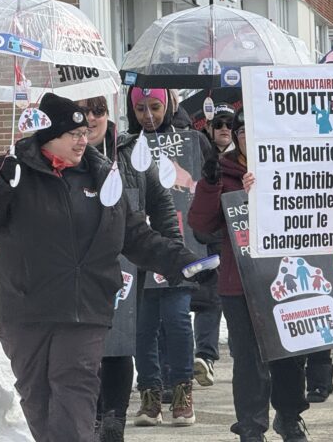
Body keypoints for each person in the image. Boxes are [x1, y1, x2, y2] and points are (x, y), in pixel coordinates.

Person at [0, 92, 199, 442]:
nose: (82, 138)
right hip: (25, 307)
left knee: (74, 390)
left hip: (84, 306)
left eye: (83, 132)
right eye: (71, 134)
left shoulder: (103, 176)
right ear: (47, 137)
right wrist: (0, 186)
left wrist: (183, 261)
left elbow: (134, 235)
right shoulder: (12, 170)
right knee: (38, 397)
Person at [189, 108, 311, 442]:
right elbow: (201, 227)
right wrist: (212, 184)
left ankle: (289, 416)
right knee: (248, 360)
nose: (247, 137)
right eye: (241, 132)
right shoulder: (223, 172)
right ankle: (251, 426)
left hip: (285, 278)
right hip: (238, 282)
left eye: (253, 130)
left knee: (288, 355)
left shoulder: (290, 164)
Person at [76, 95, 182, 442]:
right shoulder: (64, 156)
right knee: (85, 346)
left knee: (119, 341)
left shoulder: (131, 153)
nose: (91, 119)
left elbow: (162, 205)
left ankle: (113, 419)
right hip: (77, 267)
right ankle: (91, 415)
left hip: (125, 263)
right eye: (83, 112)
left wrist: (174, 255)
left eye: (99, 111)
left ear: (110, 115)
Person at [126, 87, 212, 426]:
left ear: (169, 105)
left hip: (179, 243)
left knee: (177, 320)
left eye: (156, 107)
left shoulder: (191, 142)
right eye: (142, 108)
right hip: (141, 250)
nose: (149, 114)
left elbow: (207, 182)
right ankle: (149, 394)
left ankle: (181, 392)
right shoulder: (127, 145)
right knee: (143, 327)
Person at [191, 103, 235, 388]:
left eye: (229, 124)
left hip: (240, 239)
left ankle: (249, 351)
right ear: (208, 127)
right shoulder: (197, 154)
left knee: (241, 301)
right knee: (209, 297)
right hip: (210, 238)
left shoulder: (246, 157)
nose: (223, 129)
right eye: (218, 123)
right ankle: (204, 356)